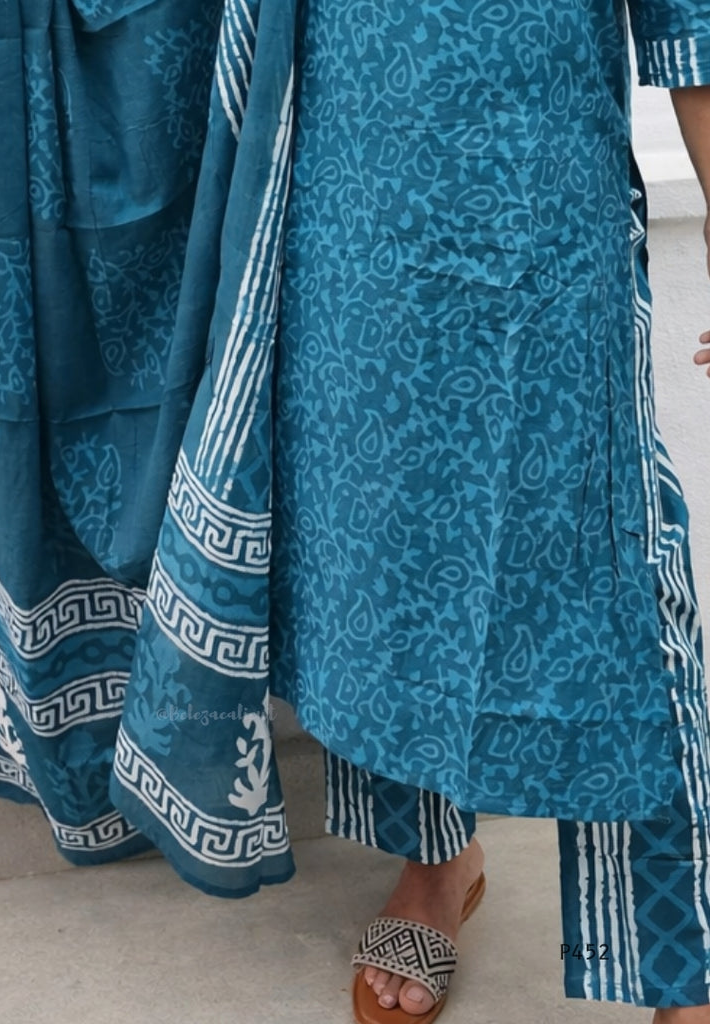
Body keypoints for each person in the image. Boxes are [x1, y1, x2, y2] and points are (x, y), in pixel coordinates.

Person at [105, 2, 710, 1024]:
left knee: (615, 561)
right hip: (351, 198)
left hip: (538, 200)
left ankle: (682, 953)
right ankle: (436, 862)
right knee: (387, 550)